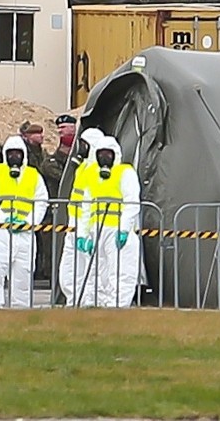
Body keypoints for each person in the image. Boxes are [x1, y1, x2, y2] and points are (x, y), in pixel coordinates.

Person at [0, 135, 49, 308]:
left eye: (18, 153)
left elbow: (41, 201)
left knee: (23, 277)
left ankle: (21, 311)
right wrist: (2, 220)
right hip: (0, 233)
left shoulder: (33, 176)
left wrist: (29, 222)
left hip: (25, 234)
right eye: (11, 153)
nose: (14, 157)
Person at [76, 135, 141, 308]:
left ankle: (118, 306)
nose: (104, 158)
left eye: (108, 154)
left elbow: (132, 202)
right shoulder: (93, 176)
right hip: (97, 231)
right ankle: (99, 306)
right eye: (101, 153)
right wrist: (83, 234)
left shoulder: (125, 173)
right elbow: (86, 207)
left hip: (117, 230)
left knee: (120, 272)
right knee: (98, 272)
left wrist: (125, 229)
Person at [59, 127, 104, 306]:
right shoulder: (83, 167)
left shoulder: (97, 170)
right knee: (68, 270)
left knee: (89, 269)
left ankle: (89, 303)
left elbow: (89, 201)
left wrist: (85, 231)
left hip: (87, 227)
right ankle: (74, 301)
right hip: (74, 225)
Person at [35, 114, 77, 281]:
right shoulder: (51, 162)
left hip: (72, 212)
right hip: (53, 213)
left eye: (64, 128)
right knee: (51, 249)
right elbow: (65, 180)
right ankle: (51, 279)